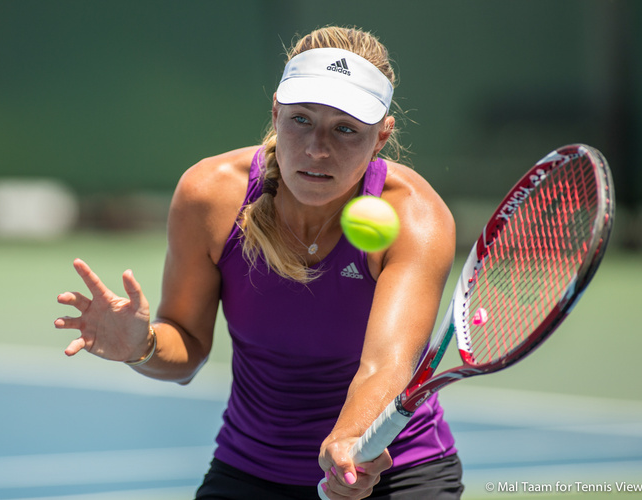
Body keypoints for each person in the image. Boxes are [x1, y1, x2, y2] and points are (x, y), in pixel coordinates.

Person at [55, 26, 462, 500]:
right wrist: (141, 347)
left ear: (381, 137)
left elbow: (384, 366)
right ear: (275, 112)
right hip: (250, 469)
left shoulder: (415, 216)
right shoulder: (210, 196)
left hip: (394, 472)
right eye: (301, 120)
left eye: (346, 129)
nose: (316, 148)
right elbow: (184, 350)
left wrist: (349, 442)